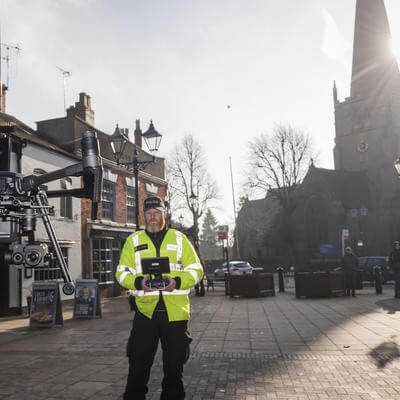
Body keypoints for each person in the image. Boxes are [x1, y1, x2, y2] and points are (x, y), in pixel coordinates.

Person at [116, 195, 203, 400]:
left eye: (156, 213)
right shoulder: (133, 240)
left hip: (176, 315)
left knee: (174, 370)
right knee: (137, 367)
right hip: (145, 313)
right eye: (148, 214)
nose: (152, 217)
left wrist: (177, 281)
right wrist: (139, 283)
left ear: (164, 214)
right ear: (143, 216)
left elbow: (196, 270)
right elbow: (121, 272)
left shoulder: (180, 239)